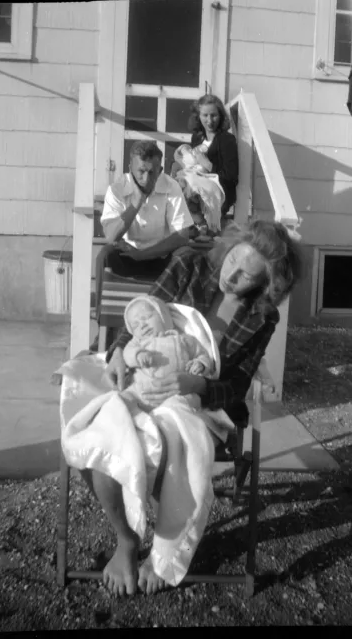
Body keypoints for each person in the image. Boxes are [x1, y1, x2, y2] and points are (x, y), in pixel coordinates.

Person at [80, 219, 303, 597]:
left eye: (245, 276)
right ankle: (126, 539)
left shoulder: (262, 317)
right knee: (94, 445)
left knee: (160, 444)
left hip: (198, 406)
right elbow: (142, 317)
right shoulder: (188, 265)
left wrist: (198, 384)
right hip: (143, 384)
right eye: (232, 260)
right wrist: (118, 351)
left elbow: (237, 384)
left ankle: (165, 550)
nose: (230, 276)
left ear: (266, 286)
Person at [92, 140, 195, 350]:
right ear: (130, 167)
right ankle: (103, 325)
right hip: (128, 255)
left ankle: (184, 331)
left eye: (152, 172)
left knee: (188, 256)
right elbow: (112, 235)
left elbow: (183, 233)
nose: (146, 178)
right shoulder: (117, 189)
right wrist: (136, 203)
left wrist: (145, 254)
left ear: (161, 170)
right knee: (104, 256)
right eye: (140, 171)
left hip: (160, 256)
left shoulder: (171, 186)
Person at [121, 294, 214, 412]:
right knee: (121, 401)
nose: (142, 325)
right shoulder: (138, 343)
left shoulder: (183, 339)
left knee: (185, 408)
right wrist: (138, 355)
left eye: (147, 317)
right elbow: (127, 353)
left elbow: (202, 354)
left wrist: (201, 364)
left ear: (163, 315)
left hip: (178, 395)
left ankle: (168, 424)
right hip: (143, 391)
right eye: (135, 325)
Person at [188, 94, 239, 219]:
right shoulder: (197, 137)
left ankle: (199, 224)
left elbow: (231, 176)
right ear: (198, 116)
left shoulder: (227, 140)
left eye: (214, 115)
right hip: (197, 186)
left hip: (219, 193)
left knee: (187, 188)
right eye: (205, 115)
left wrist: (207, 164)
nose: (210, 121)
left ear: (221, 116)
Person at [173, 142, 226, 234]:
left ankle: (205, 228)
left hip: (200, 183)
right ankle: (203, 227)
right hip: (194, 182)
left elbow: (207, 166)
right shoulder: (182, 159)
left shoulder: (198, 156)